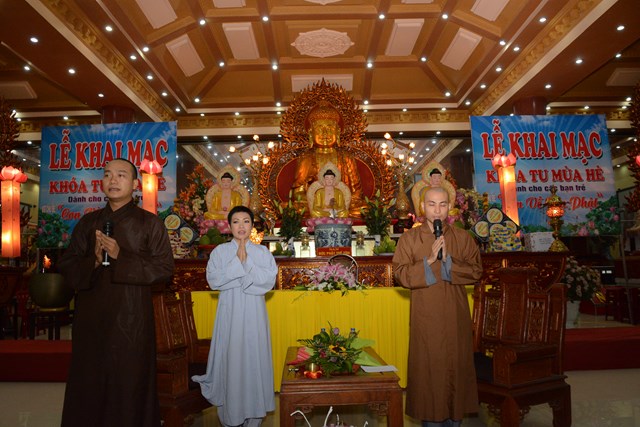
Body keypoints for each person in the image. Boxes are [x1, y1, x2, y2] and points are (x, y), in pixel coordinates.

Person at [58, 158, 174, 427]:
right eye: (107, 174)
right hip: (91, 321)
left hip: (131, 320)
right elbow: (68, 265)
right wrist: (94, 261)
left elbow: (164, 269)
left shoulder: (149, 223)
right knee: (90, 382)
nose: (112, 180)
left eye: (121, 175)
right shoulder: (88, 223)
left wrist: (121, 255)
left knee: (129, 383)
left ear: (135, 184)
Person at [392, 186, 483, 427]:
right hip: (426, 318)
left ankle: (455, 420)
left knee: (456, 369)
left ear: (449, 207)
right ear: (422, 207)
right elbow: (400, 274)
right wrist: (430, 260)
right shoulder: (409, 239)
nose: (437, 210)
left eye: (442, 204)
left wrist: (449, 263)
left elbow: (476, 271)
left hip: (456, 317)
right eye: (431, 204)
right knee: (430, 373)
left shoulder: (463, 238)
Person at [193, 205, 278, 427]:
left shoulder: (262, 253)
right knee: (230, 359)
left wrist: (246, 263)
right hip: (229, 314)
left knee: (254, 358)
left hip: (254, 315)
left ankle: (254, 417)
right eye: (236, 222)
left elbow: (268, 281)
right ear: (229, 226)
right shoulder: (220, 252)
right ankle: (230, 417)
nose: (241, 226)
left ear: (252, 226)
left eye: (246, 221)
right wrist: (237, 263)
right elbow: (214, 280)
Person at [290, 101, 363, 217]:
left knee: (363, 208)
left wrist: (342, 200)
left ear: (337, 132)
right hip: (316, 205)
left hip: (341, 204)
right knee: (294, 208)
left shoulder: (346, 157)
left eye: (329, 128)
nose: (325, 133)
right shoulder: (306, 158)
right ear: (311, 133)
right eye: (319, 128)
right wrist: (318, 199)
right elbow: (297, 194)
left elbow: (357, 192)